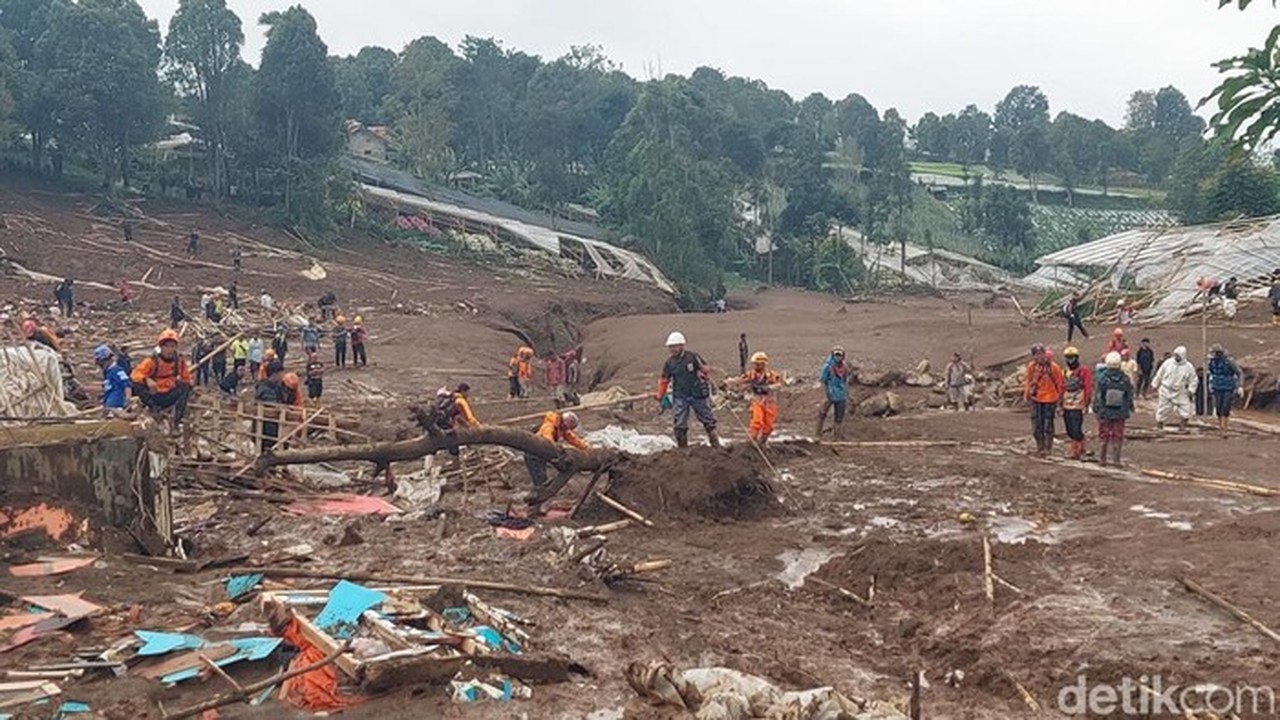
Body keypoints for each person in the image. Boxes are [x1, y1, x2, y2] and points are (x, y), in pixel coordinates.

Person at [657, 331, 719, 448]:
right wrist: (660, 395)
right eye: (670, 347)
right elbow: (664, 380)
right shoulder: (669, 363)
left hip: (697, 393)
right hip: (680, 395)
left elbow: (705, 368)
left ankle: (716, 445)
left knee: (708, 420)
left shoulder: (693, 357)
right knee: (679, 423)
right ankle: (682, 450)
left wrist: (703, 373)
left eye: (674, 346)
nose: (672, 349)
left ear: (681, 345)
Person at [130, 329, 193, 427]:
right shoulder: (152, 361)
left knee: (185, 386)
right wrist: (146, 380)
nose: (169, 349)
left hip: (169, 393)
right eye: (166, 346)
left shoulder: (179, 361)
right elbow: (135, 374)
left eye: (172, 346)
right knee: (136, 384)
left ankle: (177, 420)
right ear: (161, 347)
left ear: (175, 347)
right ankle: (153, 409)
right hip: (153, 394)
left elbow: (186, 378)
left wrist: (190, 385)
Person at [524, 410, 588, 492]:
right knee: (538, 473)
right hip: (533, 452)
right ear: (565, 423)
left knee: (541, 472)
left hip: (541, 452)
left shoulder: (560, 426)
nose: (567, 430)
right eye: (568, 428)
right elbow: (548, 439)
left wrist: (585, 448)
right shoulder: (549, 426)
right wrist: (557, 449)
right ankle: (539, 491)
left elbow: (572, 438)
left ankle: (542, 488)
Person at [1093, 351, 1135, 467]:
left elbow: (1098, 395)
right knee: (1117, 436)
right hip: (1120, 413)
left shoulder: (1102, 378)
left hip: (1105, 412)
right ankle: (1116, 460)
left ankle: (1103, 459)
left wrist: (1096, 409)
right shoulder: (1125, 378)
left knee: (1103, 435)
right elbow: (1129, 395)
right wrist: (1129, 408)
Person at [732, 351, 783, 446]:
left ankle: (762, 443)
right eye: (755, 364)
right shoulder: (751, 374)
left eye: (758, 364)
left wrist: (769, 387)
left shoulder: (771, 375)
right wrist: (728, 382)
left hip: (770, 402)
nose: (756, 366)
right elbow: (739, 380)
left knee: (769, 425)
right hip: (758, 400)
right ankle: (752, 441)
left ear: (763, 364)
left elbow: (779, 384)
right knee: (757, 420)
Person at [1023, 343, 1065, 456]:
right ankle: (1040, 447)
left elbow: (1060, 383)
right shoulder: (1031, 367)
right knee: (1036, 425)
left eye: (1041, 353)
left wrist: (1060, 400)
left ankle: (1048, 448)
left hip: (1050, 399)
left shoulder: (1053, 367)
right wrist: (1026, 395)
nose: (1039, 357)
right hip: (1036, 398)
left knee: (1048, 424)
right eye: (1036, 354)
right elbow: (1028, 381)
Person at [435, 384, 480, 469]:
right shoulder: (459, 400)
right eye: (467, 392)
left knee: (434, 448)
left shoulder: (448, 400)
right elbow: (466, 416)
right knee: (454, 447)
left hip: (437, 424)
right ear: (463, 391)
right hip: (446, 424)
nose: (468, 394)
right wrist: (476, 425)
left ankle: (428, 469)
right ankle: (457, 468)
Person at [1152, 345, 1197, 431]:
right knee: (1162, 409)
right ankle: (1160, 425)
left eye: (1178, 356)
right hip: (1166, 390)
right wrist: (1154, 384)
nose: (1176, 357)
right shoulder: (1168, 363)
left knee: (1186, 408)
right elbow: (1159, 374)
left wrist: (1191, 390)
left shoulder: (1188, 367)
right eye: (1175, 355)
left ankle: (1182, 425)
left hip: (1180, 391)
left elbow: (1193, 379)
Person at [1060, 347, 1094, 461]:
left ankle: (1077, 450)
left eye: (1072, 358)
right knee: (1069, 428)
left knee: (1076, 428)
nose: (1070, 360)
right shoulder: (1064, 372)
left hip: (1078, 404)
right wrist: (1059, 403)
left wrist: (1087, 403)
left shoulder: (1084, 371)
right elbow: (1061, 387)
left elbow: (1088, 387)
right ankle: (1079, 448)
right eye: (1068, 358)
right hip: (1066, 404)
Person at [1206, 344, 1241, 432]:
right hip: (1217, 387)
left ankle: (1224, 427)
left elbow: (1239, 373)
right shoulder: (1211, 362)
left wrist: (1240, 386)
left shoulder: (1229, 361)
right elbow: (1211, 372)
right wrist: (1210, 383)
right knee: (1218, 407)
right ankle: (1220, 425)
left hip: (1228, 387)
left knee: (1226, 407)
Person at [254, 360, 287, 453]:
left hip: (274, 426)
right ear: (275, 374)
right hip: (266, 428)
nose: (283, 375)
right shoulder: (264, 389)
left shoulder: (277, 387)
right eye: (281, 373)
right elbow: (272, 405)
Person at [817, 346, 850, 438]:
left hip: (840, 394)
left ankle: (836, 436)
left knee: (839, 416)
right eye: (836, 355)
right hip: (830, 392)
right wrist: (826, 393)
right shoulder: (828, 367)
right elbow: (823, 380)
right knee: (822, 413)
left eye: (840, 355)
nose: (838, 357)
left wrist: (846, 393)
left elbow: (845, 380)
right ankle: (818, 433)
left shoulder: (844, 367)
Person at [94, 344, 132, 417]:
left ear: (108, 359)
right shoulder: (108, 373)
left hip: (117, 407)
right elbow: (108, 388)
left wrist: (127, 399)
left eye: (102, 364)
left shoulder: (117, 370)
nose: (101, 366)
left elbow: (127, 385)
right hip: (109, 406)